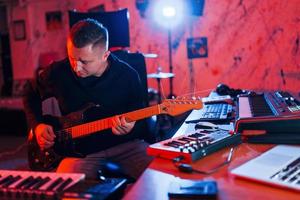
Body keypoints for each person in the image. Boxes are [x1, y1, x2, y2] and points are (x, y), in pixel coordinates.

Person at [23, 18, 153, 180]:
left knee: (160, 178)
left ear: (105, 55)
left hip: (126, 147)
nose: (76, 67)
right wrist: (38, 125)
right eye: (72, 58)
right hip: (79, 153)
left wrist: (131, 127)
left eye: (84, 62)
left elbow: (143, 123)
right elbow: (29, 91)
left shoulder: (128, 76)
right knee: (67, 191)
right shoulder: (59, 71)